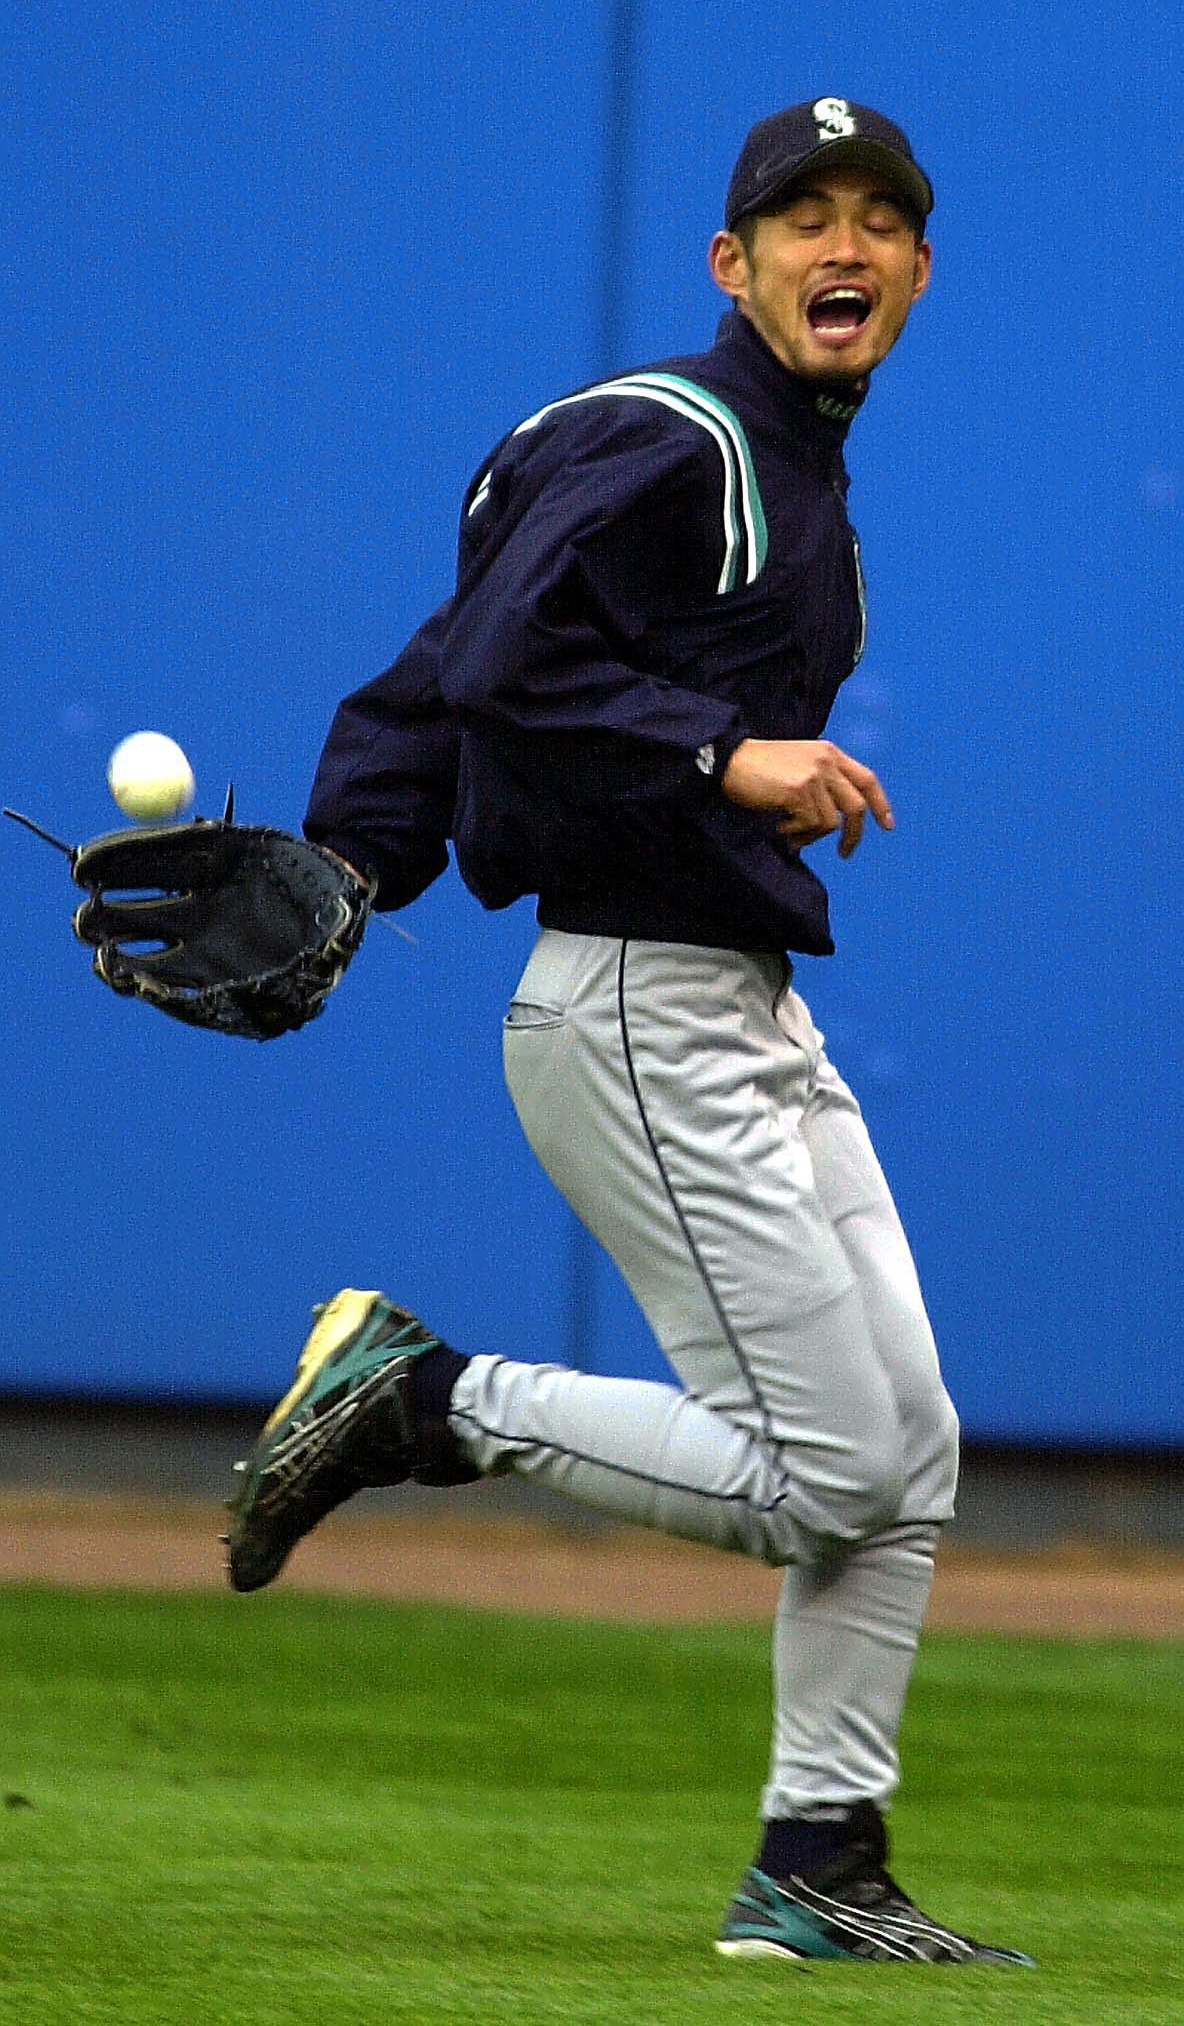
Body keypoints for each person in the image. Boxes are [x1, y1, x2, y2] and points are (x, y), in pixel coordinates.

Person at [226, 98, 1033, 1968]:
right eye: (803, 217)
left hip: (732, 1006)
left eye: (880, 218)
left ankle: (818, 1866)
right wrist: (720, 751)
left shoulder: (785, 476)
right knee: (829, 1472)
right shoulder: (669, 434)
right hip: (633, 1007)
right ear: (731, 265)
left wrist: (355, 859)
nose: (845, 244)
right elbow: (499, 663)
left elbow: (451, 667)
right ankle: (419, 1400)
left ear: (921, 270)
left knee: (907, 1449)